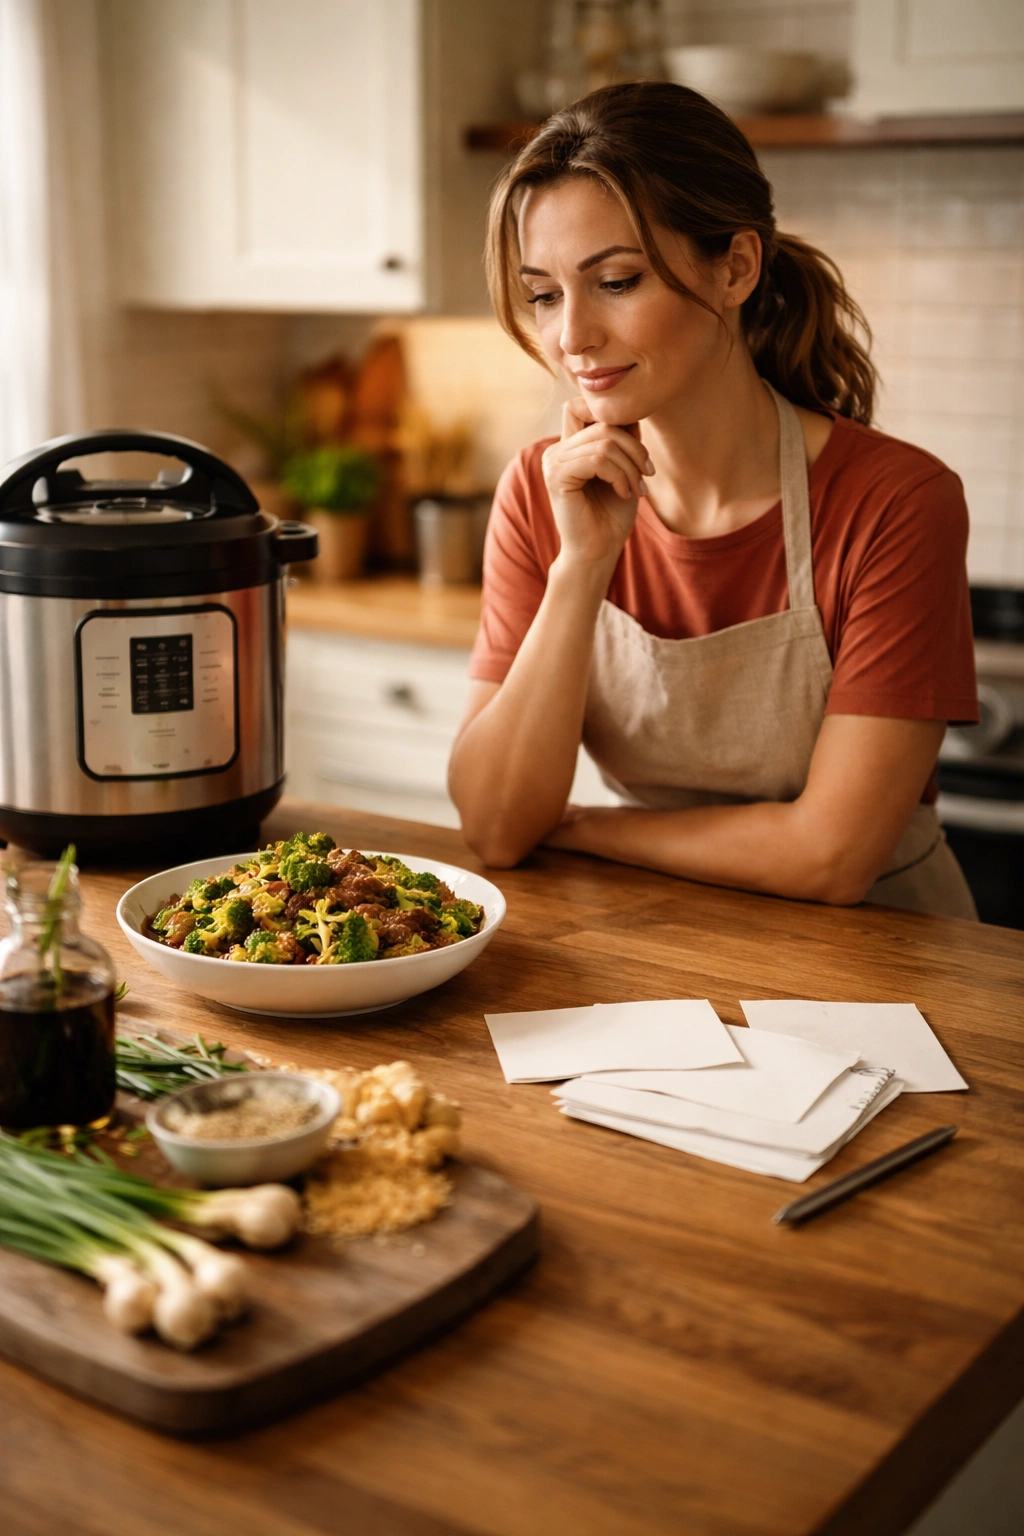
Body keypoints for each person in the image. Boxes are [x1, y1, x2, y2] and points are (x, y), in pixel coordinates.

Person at [448, 82, 979, 919]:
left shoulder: (897, 502)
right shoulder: (540, 492)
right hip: (657, 943)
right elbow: (498, 825)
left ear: (735, 267)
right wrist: (582, 565)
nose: (572, 337)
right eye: (545, 294)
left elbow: (833, 857)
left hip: (885, 961)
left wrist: (583, 830)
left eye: (616, 281)